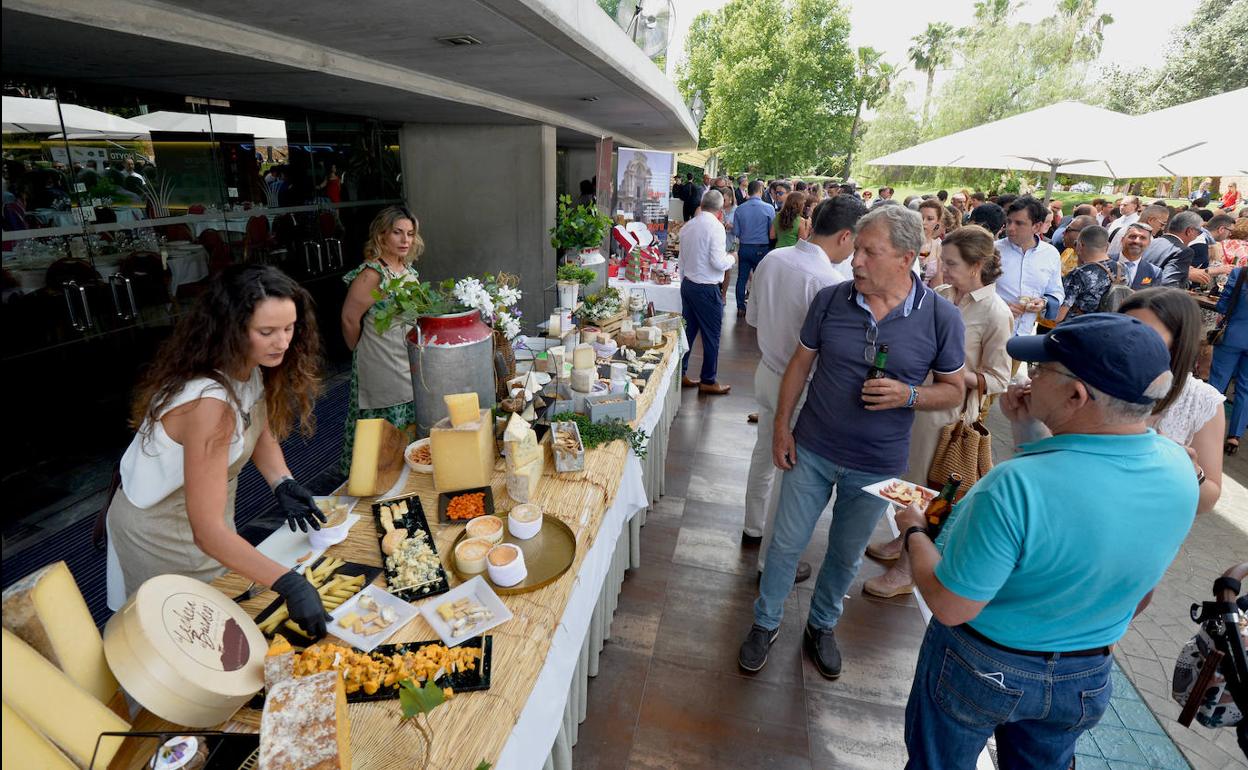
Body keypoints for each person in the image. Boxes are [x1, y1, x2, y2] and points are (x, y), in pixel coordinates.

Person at [895, 313, 1197, 769]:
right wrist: (1028, 430)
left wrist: (915, 530)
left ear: (1077, 395)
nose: (1029, 378)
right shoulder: (1180, 470)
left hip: (983, 665)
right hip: (1086, 675)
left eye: (1041, 370)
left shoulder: (1014, 486)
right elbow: (1138, 590)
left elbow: (951, 605)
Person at [737, 204, 966, 679]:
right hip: (813, 447)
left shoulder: (941, 317)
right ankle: (765, 621)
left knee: (844, 553)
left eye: (870, 252)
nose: (856, 261)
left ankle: (822, 625)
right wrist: (782, 426)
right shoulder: (832, 299)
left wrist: (908, 394)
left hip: (876, 461)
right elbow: (801, 363)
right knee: (784, 543)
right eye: (856, 249)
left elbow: (953, 388)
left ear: (906, 257)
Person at [105, 264, 332, 637]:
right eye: (267, 332)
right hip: (161, 530)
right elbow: (206, 533)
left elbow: (256, 428)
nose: (282, 343)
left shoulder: (247, 366)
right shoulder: (209, 404)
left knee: (220, 616)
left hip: (204, 515)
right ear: (232, 329)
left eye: (290, 328)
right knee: (183, 636)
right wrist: (289, 583)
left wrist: (282, 481)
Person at [863, 225, 1013, 598]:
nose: (943, 269)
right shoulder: (941, 295)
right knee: (907, 480)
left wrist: (957, 376)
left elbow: (1000, 377)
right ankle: (905, 540)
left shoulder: (995, 312)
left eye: (952, 263)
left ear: (977, 265)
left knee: (932, 491)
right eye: (943, 261)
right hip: (917, 400)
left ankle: (908, 569)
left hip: (949, 415)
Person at [743, 195, 867, 582]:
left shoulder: (773, 259)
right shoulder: (830, 281)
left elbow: (753, 319)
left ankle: (752, 525)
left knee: (766, 450)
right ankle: (769, 561)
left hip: (767, 370)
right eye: (858, 245)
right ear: (845, 237)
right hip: (799, 385)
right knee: (788, 468)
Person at [1118, 289, 1225, 514]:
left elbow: (1205, 503)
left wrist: (1189, 468)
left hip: (1147, 526)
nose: (1130, 342)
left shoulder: (1202, 401)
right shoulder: (1095, 376)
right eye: (1123, 329)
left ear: (1179, 343)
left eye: (1148, 335)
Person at [339, 206, 424, 474]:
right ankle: (377, 479)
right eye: (397, 233)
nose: (405, 240)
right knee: (384, 423)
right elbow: (349, 319)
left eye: (409, 234)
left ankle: (403, 477)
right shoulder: (372, 274)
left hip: (405, 359)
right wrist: (360, 351)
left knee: (408, 419)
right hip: (380, 360)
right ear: (381, 235)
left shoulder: (407, 269)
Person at [679, 189, 735, 395]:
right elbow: (718, 262)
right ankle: (708, 380)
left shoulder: (688, 226)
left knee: (688, 332)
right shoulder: (717, 228)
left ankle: (681, 373)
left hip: (689, 284)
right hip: (706, 286)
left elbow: (682, 260)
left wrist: (684, 280)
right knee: (712, 336)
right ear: (720, 210)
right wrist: (733, 257)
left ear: (701, 204)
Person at [994, 196, 1064, 336]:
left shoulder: (1050, 254)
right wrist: (999, 308)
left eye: (1019, 223)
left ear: (1036, 226)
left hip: (1023, 334)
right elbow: (975, 290)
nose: (1010, 228)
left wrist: (1043, 302)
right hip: (992, 332)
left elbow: (1056, 291)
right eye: (1008, 221)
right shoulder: (992, 250)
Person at [1210, 265, 1248, 454]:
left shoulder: (1240, 273)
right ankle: (1234, 436)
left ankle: (1207, 425)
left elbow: (1223, 305)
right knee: (1245, 389)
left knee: (1217, 382)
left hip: (1232, 336)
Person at [1055, 225, 1120, 322]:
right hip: (1111, 326)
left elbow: (1058, 316)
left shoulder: (1078, 274)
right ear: (1107, 246)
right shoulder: (1122, 269)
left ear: (1080, 245)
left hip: (1079, 329)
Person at [732, 180, 776, 317]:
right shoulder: (769, 208)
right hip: (762, 248)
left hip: (745, 247)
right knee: (761, 279)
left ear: (748, 191)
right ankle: (758, 306)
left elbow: (736, 232)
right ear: (760, 190)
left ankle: (740, 306)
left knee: (742, 278)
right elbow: (772, 231)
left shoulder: (740, 209)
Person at [1143, 210, 1201, 287]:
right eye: (1199, 232)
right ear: (1189, 231)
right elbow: (1169, 283)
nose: (1198, 235)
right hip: (1155, 295)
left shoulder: (1153, 241)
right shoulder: (1183, 251)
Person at [1110, 223, 1162, 289]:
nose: (1136, 241)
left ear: (1148, 244)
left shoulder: (1154, 272)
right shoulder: (1105, 262)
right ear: (1122, 240)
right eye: (1132, 236)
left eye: (1142, 238)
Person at [917, 198, 946, 285]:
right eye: (921, 218)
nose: (923, 222)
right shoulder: (905, 242)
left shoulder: (938, 246)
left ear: (937, 222)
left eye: (930, 219)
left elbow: (937, 282)